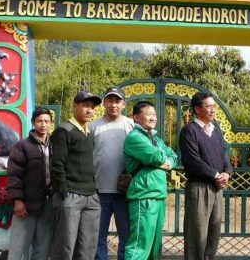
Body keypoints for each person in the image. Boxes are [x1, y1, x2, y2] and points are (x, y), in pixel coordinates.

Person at [179, 92, 232, 260]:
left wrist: (227, 173)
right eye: (208, 106)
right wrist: (216, 174)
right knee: (197, 235)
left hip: (217, 188)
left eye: (213, 107)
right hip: (199, 189)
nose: (212, 110)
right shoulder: (189, 131)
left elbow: (225, 157)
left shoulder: (215, 130)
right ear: (197, 109)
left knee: (213, 234)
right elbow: (193, 162)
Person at [50, 91, 102, 260]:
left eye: (92, 107)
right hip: (71, 195)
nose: (89, 110)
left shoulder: (88, 132)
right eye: (85, 105)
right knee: (65, 246)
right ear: (75, 106)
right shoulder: (64, 131)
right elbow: (57, 164)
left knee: (88, 246)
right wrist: (64, 192)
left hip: (91, 196)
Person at [123, 101, 178, 260]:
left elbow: (173, 156)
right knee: (140, 244)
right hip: (143, 195)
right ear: (136, 117)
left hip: (159, 194)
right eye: (148, 114)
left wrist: (167, 164)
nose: (153, 117)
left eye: (154, 114)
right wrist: (162, 158)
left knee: (154, 246)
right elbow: (157, 156)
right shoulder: (134, 137)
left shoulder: (156, 139)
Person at [89, 87, 134, 260]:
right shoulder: (93, 126)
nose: (113, 105)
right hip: (99, 191)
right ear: (104, 103)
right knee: (98, 237)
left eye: (117, 101)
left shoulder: (131, 125)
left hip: (125, 192)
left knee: (126, 237)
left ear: (123, 103)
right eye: (110, 101)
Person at [6, 107, 54, 260]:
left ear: (51, 123)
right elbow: (14, 174)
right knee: (18, 246)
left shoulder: (55, 145)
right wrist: (18, 200)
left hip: (48, 203)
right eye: (39, 121)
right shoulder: (23, 146)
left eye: (46, 121)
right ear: (33, 122)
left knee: (43, 246)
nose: (43, 124)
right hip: (27, 202)